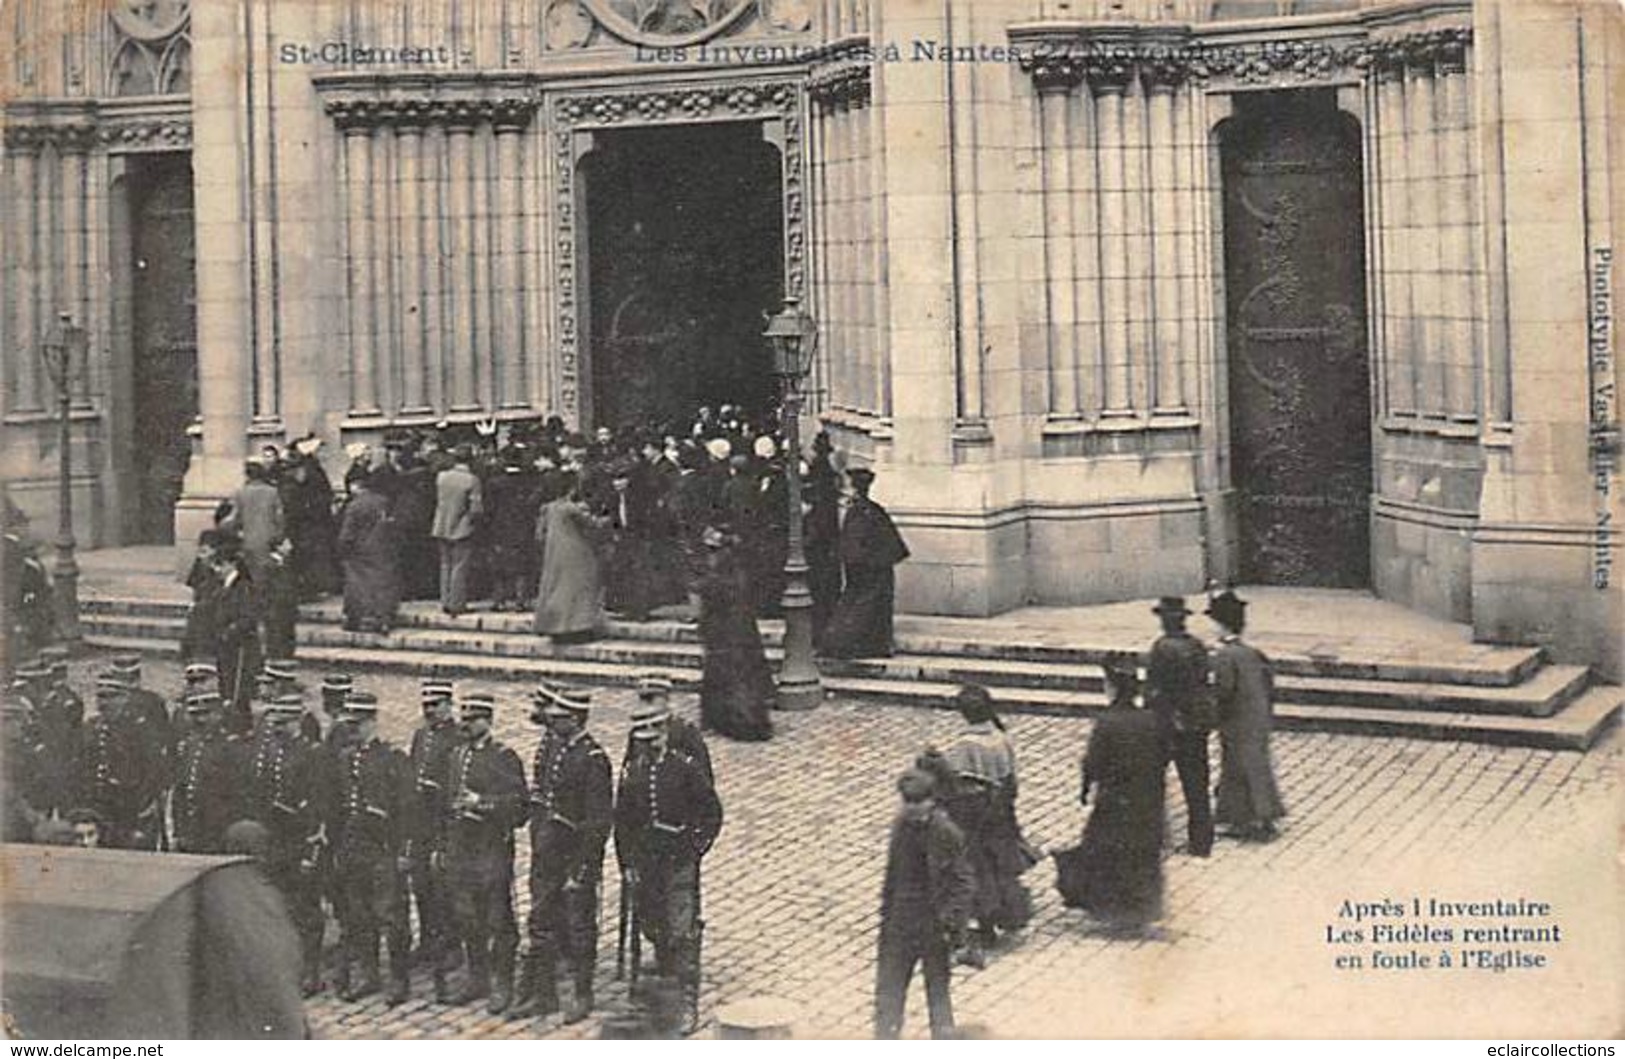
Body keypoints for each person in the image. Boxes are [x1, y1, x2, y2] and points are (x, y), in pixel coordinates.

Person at [614, 699, 724, 1036]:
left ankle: (686, 1001)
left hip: (678, 862)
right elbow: (624, 823)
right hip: (648, 863)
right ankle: (663, 993)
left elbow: (710, 815)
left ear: (665, 731)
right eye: (642, 741)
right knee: (654, 926)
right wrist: (628, 864)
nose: (648, 746)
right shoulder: (633, 775)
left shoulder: (685, 769)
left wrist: (693, 848)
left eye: (655, 737)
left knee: (681, 931)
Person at [510, 685, 613, 1023]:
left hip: (574, 856)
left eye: (559, 719)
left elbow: (598, 822)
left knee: (579, 924)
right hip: (548, 851)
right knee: (540, 919)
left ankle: (582, 994)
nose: (552, 723)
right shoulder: (555, 747)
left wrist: (582, 869)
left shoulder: (594, 759)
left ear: (576, 719)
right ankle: (543, 995)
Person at [1055, 656, 1167, 933]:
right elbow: (1164, 754)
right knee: (1140, 854)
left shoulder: (1107, 722)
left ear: (1113, 688)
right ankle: (1140, 907)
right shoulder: (1151, 719)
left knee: (1108, 851)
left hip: (1115, 799)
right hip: (1147, 800)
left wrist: (1086, 788)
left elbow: (1093, 762)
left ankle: (1113, 907)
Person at [873, 768, 975, 1041]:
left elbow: (963, 883)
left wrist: (952, 924)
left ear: (931, 801)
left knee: (938, 996)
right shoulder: (900, 826)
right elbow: (892, 875)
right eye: (907, 802)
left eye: (917, 802)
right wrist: (887, 915)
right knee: (888, 995)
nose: (911, 808)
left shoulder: (947, 833)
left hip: (934, 926)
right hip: (900, 923)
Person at [933, 685, 1031, 965]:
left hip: (975, 816)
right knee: (998, 867)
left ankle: (981, 923)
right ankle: (1003, 915)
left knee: (977, 868)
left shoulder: (966, 745)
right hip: (1000, 815)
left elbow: (956, 783)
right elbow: (1012, 778)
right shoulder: (1002, 738)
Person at [445, 691, 528, 1013]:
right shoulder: (456, 756)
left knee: (498, 920)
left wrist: (482, 803)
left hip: (491, 848)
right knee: (467, 915)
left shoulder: (503, 757)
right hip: (461, 847)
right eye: (463, 718)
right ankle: (476, 976)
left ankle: (502, 982)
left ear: (487, 721)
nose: (465, 725)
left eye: (472, 719)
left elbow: (520, 808)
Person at [330, 690, 413, 1005]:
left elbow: (408, 809)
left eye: (359, 724)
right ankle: (369, 974)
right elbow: (340, 805)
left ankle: (399, 979)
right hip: (355, 847)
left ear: (373, 721)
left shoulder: (392, 759)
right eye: (350, 724)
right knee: (359, 913)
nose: (354, 730)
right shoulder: (347, 758)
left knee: (391, 915)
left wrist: (405, 850)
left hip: (384, 847)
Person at [249, 691, 328, 996]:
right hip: (276, 838)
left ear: (296, 721)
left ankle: (311, 970)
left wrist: (312, 848)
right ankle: (286, 965)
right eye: (274, 721)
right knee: (279, 905)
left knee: (306, 908)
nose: (276, 728)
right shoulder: (272, 752)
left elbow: (320, 802)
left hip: (301, 839)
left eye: (282, 722)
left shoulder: (312, 753)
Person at [1207, 591, 1286, 842]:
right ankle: (1263, 816)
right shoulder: (1253, 653)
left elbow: (1224, 690)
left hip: (1237, 721)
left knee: (1238, 768)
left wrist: (1213, 713)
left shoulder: (1225, 656)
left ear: (1222, 625)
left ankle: (1246, 819)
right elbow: (1268, 683)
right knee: (1257, 765)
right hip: (1258, 717)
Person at [1145, 595, 1214, 858]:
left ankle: (1157, 839)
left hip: (1168, 725)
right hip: (1196, 724)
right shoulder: (1197, 646)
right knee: (1197, 785)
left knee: (1154, 782)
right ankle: (1201, 841)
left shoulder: (1161, 648)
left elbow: (1155, 690)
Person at [407, 677, 463, 1002]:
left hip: (445, 819)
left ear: (448, 705)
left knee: (446, 883)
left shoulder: (456, 738)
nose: (429, 711)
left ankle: (451, 943)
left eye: (435, 705)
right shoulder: (420, 735)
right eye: (425, 705)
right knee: (421, 882)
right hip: (421, 821)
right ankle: (428, 938)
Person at [695, 525, 774, 741]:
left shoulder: (722, 569)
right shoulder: (735, 568)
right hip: (735, 629)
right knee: (736, 673)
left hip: (725, 630)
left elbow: (716, 592)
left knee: (730, 674)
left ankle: (738, 720)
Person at [823, 468, 910, 659]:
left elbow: (853, 545)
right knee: (870, 606)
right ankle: (862, 644)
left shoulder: (859, 512)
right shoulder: (872, 510)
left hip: (866, 569)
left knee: (860, 606)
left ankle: (848, 643)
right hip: (873, 568)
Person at [78, 676, 165, 850]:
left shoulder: (140, 729)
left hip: (129, 806)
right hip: (99, 805)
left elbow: (154, 770)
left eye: (111, 697)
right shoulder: (92, 727)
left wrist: (145, 804)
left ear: (125, 699)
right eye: (101, 697)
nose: (104, 703)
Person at [171, 690, 249, 854]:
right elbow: (180, 791)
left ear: (218, 715)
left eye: (206, 714)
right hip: (191, 829)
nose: (200, 720)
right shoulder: (188, 746)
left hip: (218, 830)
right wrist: (179, 831)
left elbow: (239, 793)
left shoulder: (231, 748)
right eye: (195, 715)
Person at [533, 473, 606, 644]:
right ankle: (577, 627)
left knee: (555, 589)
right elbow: (593, 525)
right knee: (577, 591)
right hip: (576, 552)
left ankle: (554, 627)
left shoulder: (547, 508)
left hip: (553, 554)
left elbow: (539, 535)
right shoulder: (571, 508)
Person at [337, 470, 401, 634]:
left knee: (356, 585)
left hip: (359, 551)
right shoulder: (384, 501)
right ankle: (383, 619)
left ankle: (356, 619)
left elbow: (347, 532)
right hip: (382, 548)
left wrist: (342, 548)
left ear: (355, 485)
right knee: (383, 584)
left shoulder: (354, 505)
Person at [220, 458, 287, 591]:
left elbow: (235, 518)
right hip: (269, 537)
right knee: (268, 573)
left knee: (253, 573)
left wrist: (224, 527)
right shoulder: (272, 492)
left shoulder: (241, 493)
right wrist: (280, 534)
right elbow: (279, 516)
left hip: (249, 538)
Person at [432, 445, 483, 617]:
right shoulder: (472, 480)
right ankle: (457, 603)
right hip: (462, 526)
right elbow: (476, 508)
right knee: (459, 566)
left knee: (445, 564)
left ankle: (445, 600)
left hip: (441, 525)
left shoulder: (441, 477)